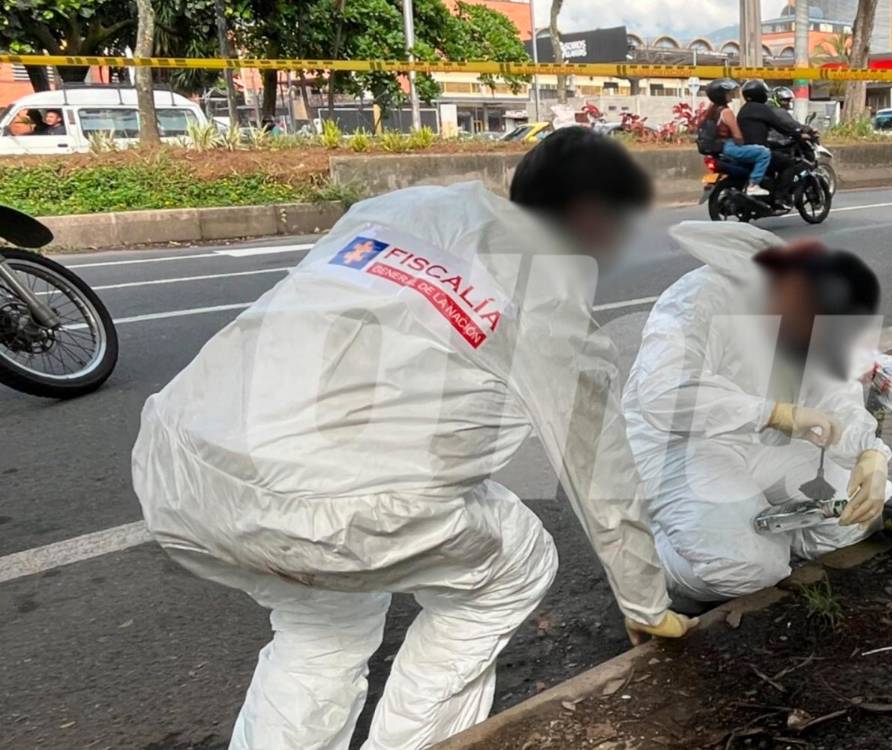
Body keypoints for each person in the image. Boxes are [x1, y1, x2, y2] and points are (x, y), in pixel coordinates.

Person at [132, 127, 696, 750]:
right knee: (514, 564)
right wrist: (646, 606)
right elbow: (602, 480)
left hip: (179, 465)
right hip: (333, 507)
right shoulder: (554, 300)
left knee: (324, 624)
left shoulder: (397, 208)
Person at [623, 222, 892, 606]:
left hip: (760, 440)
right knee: (747, 571)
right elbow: (665, 393)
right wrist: (776, 413)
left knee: (856, 518)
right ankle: (650, 546)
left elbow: (837, 397)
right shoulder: (697, 299)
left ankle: (751, 522)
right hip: (680, 444)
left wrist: (870, 454)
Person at [737, 80, 809, 198]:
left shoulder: (743, 109)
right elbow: (781, 126)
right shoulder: (763, 109)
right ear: (760, 94)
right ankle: (780, 196)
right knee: (788, 164)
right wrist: (798, 135)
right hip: (759, 150)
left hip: (744, 150)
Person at [703, 77, 771, 190]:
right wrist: (744, 143)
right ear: (721, 95)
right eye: (728, 92)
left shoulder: (711, 111)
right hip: (729, 147)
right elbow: (738, 137)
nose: (731, 94)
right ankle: (753, 184)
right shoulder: (726, 112)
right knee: (764, 153)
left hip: (718, 148)